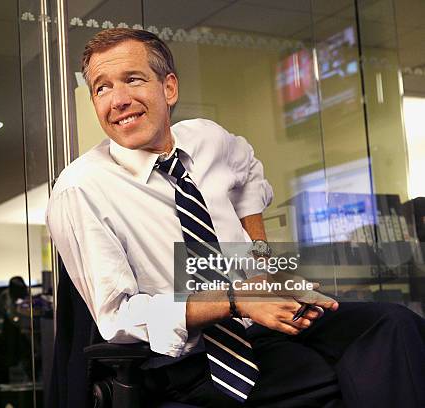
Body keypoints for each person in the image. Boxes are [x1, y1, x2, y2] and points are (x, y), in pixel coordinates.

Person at [46, 28, 425, 407]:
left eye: (133, 79)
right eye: (102, 88)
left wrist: (260, 264)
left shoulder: (206, 138)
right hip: (188, 361)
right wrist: (236, 298)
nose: (119, 100)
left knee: (394, 325)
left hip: (259, 330)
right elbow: (118, 318)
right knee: (357, 379)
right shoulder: (81, 189)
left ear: (169, 88)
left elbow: (249, 173)